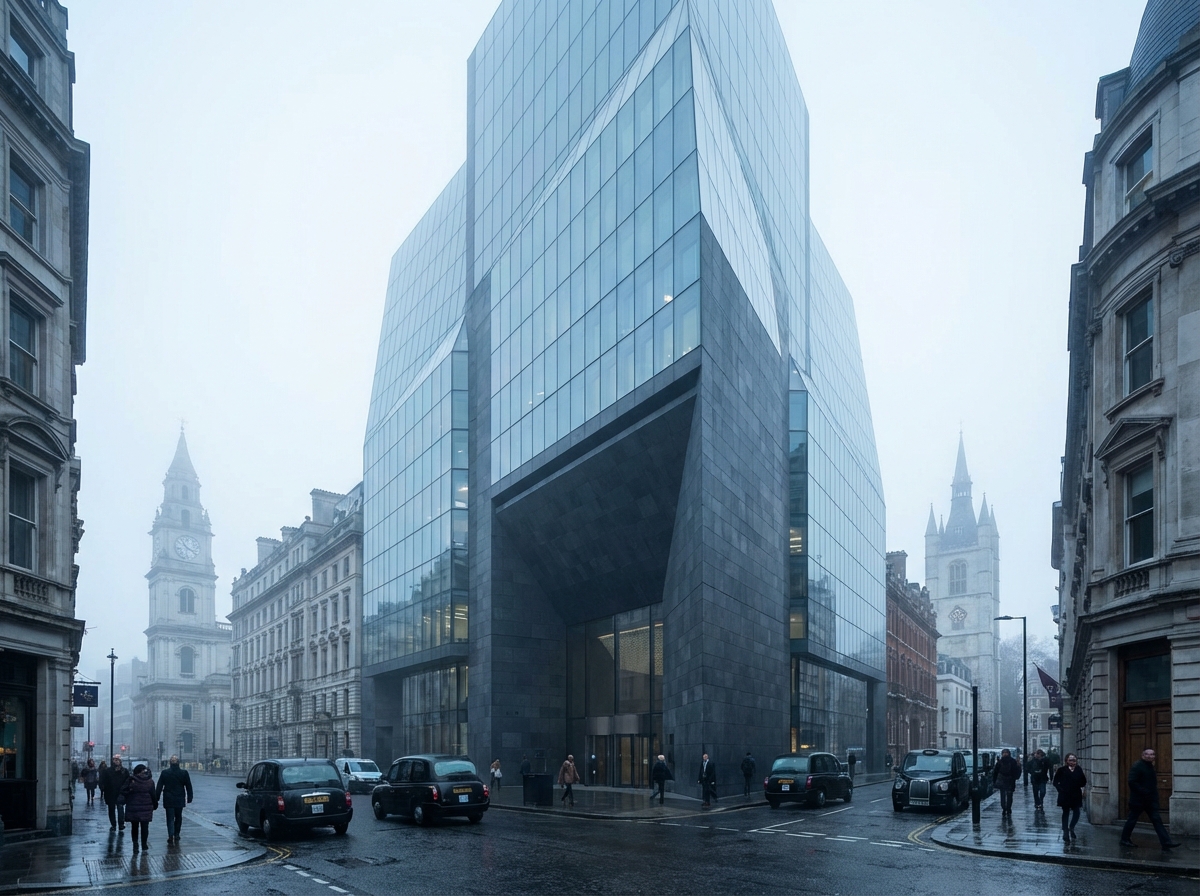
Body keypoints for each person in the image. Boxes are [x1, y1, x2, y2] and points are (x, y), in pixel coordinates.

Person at [1120, 748, 1181, 850]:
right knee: (1132, 820)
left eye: (1152, 754)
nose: (1150, 756)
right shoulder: (1137, 766)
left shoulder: (1150, 766)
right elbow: (1132, 782)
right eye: (1147, 754)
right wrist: (1144, 791)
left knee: (1157, 821)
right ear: (1142, 755)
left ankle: (1166, 842)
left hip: (1150, 801)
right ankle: (1124, 839)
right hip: (1138, 800)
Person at [154, 754, 193, 845]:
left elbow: (159, 786)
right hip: (179, 798)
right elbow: (188, 786)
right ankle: (177, 834)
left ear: (169, 763)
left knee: (170, 818)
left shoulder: (165, 773)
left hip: (168, 798)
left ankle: (171, 835)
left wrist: (156, 797)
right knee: (178, 817)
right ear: (178, 763)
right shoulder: (184, 773)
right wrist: (190, 797)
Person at [121, 763, 157, 851]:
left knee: (134, 827)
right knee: (145, 827)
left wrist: (129, 792)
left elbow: (123, 790)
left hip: (133, 807)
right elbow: (153, 795)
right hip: (146, 807)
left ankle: (135, 844)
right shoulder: (150, 782)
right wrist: (155, 804)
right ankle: (144, 844)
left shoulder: (131, 780)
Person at [1052, 753, 1086, 842]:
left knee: (1077, 812)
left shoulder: (1078, 769)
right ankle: (1065, 831)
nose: (1073, 762)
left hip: (1076, 794)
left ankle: (1071, 827)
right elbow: (1055, 782)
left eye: (1074, 760)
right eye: (1071, 760)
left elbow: (1083, 781)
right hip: (1065, 794)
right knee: (1065, 813)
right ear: (1066, 761)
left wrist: (1081, 785)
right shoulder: (1061, 770)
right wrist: (1061, 790)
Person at [100, 755, 130, 831]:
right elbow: (102, 781)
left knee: (120, 808)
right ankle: (113, 824)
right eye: (115, 760)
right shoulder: (107, 771)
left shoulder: (124, 771)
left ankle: (121, 824)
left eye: (117, 760)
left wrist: (126, 790)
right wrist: (103, 788)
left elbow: (128, 781)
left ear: (120, 761)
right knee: (111, 809)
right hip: (110, 792)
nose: (116, 761)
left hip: (121, 792)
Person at [992, 748, 1021, 816]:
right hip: (1002, 780)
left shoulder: (1012, 761)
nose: (1005, 754)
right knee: (1003, 795)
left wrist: (1015, 777)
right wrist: (994, 781)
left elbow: (1016, 771)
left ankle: (1008, 808)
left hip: (1010, 780)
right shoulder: (1000, 762)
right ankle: (1004, 808)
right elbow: (995, 772)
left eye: (1006, 753)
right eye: (1004, 753)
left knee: (1009, 795)